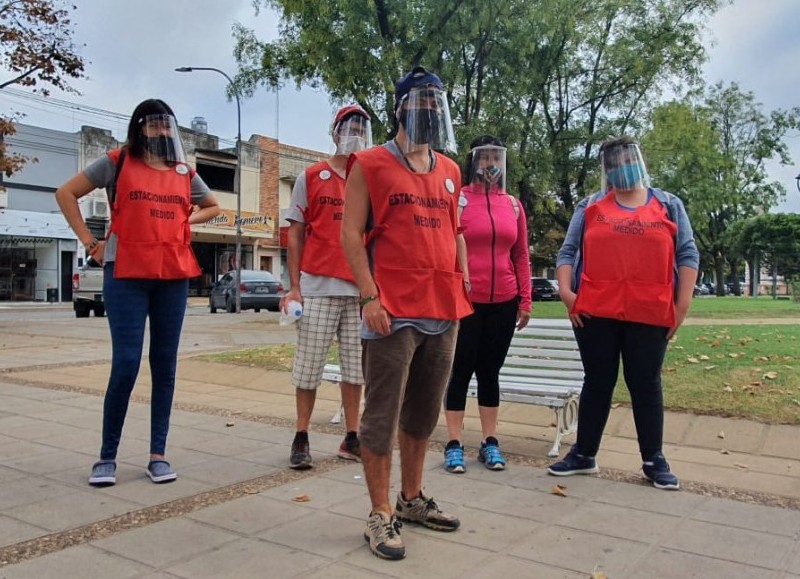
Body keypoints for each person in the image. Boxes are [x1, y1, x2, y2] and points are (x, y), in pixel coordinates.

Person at [341, 66, 473, 560]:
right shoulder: (370, 164)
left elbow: (454, 232)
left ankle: (412, 499)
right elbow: (350, 234)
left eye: (437, 104)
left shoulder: (451, 169)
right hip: (391, 313)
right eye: (421, 103)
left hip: (443, 310)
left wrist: (463, 281)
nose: (430, 112)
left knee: (422, 414)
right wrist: (370, 296)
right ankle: (380, 513)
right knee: (380, 418)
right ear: (401, 109)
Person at [55, 99, 220, 487]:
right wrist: (91, 243)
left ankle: (158, 455)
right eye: (155, 125)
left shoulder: (184, 171)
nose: (162, 132)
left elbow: (212, 206)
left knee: (165, 365)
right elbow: (66, 193)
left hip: (172, 275)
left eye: (168, 126)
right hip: (125, 273)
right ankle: (106, 456)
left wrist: (186, 218)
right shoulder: (117, 161)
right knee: (126, 363)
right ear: (140, 127)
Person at [547, 136, 699, 490]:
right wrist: (568, 294)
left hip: (650, 312)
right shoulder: (590, 206)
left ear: (639, 160)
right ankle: (584, 454)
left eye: (627, 159)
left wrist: (681, 308)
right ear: (606, 169)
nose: (621, 167)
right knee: (598, 380)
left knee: (645, 383)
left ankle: (653, 460)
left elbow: (688, 254)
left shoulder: (668, 204)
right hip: (595, 312)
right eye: (613, 163)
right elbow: (567, 252)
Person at [280, 105, 372, 469]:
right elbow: (295, 234)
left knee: (356, 369)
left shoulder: (370, 177)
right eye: (349, 126)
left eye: (362, 127)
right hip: (317, 285)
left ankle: (352, 436)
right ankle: (301, 435)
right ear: (334, 132)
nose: (355, 133)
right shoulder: (311, 176)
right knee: (309, 367)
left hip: (358, 288)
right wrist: (294, 287)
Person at [443, 135, 532, 473]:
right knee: (460, 370)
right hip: (467, 301)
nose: (491, 164)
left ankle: (490, 441)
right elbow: (448, 244)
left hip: (504, 301)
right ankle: (453, 443)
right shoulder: (460, 200)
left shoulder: (512, 204)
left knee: (490, 372)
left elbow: (521, 254)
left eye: (497, 157)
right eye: (485, 158)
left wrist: (526, 300)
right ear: (474, 162)